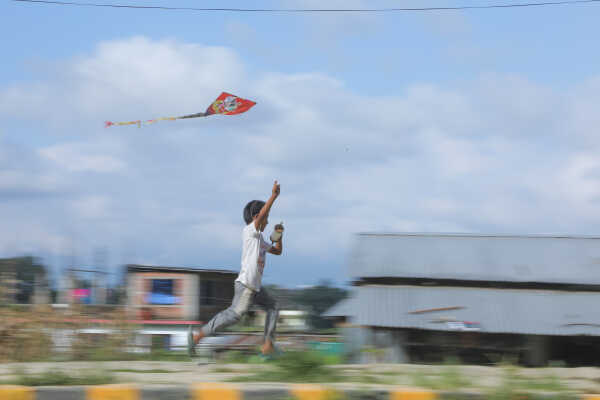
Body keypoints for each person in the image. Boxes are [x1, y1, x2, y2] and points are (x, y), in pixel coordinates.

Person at [188, 181, 284, 356]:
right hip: (246, 285)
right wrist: (274, 196)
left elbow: (277, 251)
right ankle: (198, 336)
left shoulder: (260, 240)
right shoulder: (249, 231)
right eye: (265, 216)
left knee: (273, 307)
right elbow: (263, 215)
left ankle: (268, 344)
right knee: (234, 315)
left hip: (256, 288)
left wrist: (278, 236)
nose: (267, 220)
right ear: (256, 217)